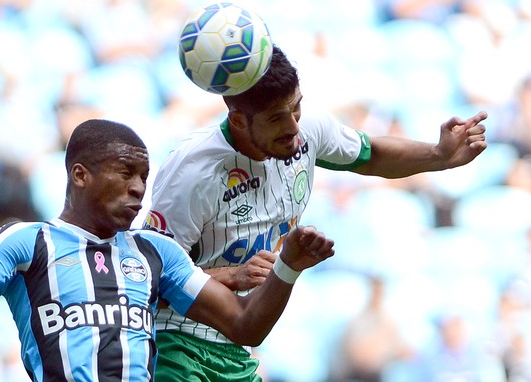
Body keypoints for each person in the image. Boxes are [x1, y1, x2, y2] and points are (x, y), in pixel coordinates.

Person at [143, 44, 488, 380]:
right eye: (277, 118)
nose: (293, 127)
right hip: (178, 345)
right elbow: (143, 281)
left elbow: (372, 155)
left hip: (238, 348)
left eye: (297, 109)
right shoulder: (190, 173)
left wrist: (438, 156)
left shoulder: (307, 133)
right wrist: (231, 276)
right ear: (239, 120)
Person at [0, 118, 335, 381]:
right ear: (80, 175)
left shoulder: (156, 253)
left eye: (145, 176)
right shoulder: (26, 241)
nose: (139, 188)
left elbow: (246, 327)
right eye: (125, 173)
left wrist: (288, 267)